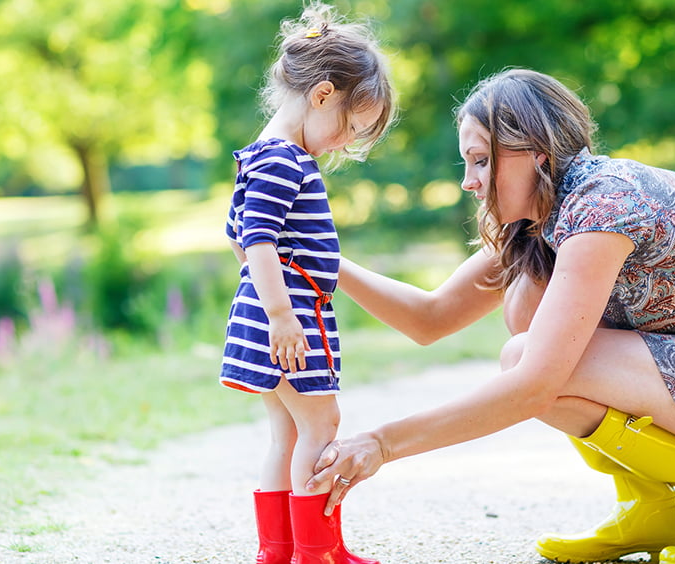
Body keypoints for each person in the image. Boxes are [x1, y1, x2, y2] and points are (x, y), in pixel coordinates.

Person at [306, 68, 675, 564]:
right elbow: (430, 318)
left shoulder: (604, 204)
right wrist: (322, 257)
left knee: (529, 358)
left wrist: (382, 443)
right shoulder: (544, 217)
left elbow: (534, 385)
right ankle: (649, 510)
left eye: (482, 160)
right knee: (528, 325)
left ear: (537, 154)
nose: (469, 181)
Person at [218, 4, 394, 563]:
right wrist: (280, 314)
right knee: (322, 423)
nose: (343, 144)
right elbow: (258, 240)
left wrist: (266, 300)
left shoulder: (261, 156)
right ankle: (316, 552)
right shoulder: (283, 160)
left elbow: (235, 233)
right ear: (321, 95)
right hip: (289, 319)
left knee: (289, 433)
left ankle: (283, 551)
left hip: (278, 312)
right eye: (349, 128)